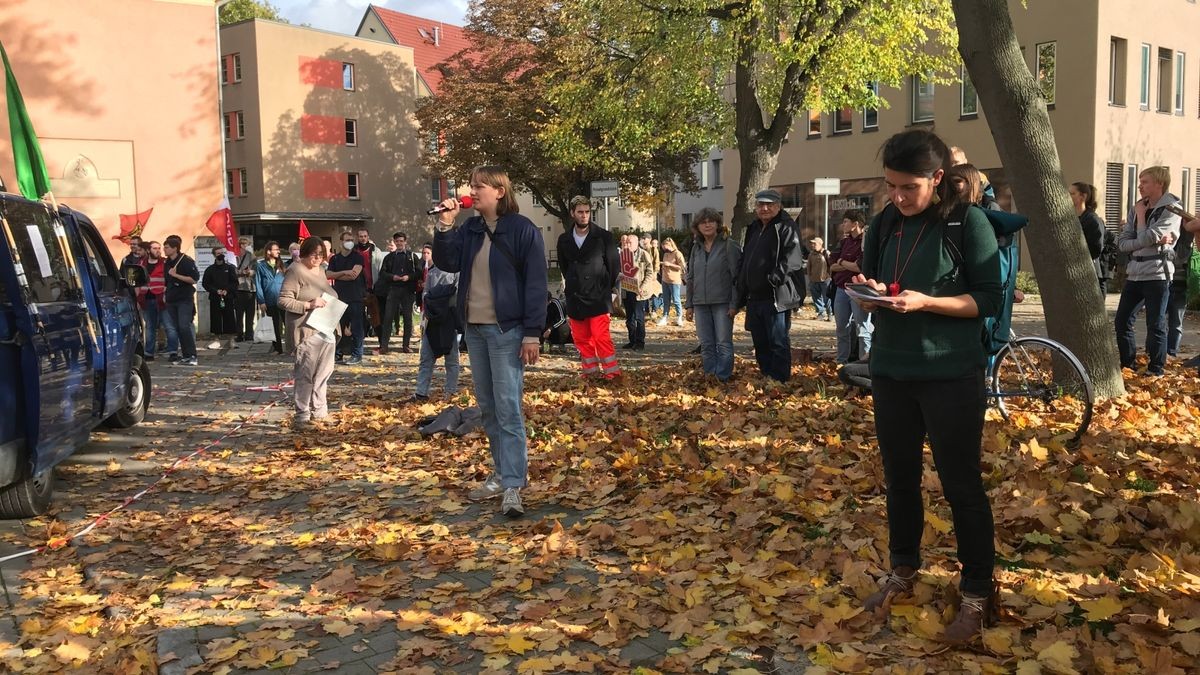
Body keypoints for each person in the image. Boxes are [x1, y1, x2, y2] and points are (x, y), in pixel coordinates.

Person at [852, 128, 1003, 645]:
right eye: (890, 186)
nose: (898, 196)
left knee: (961, 485)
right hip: (892, 370)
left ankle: (978, 591)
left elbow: (986, 300)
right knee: (899, 480)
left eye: (909, 187)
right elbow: (876, 286)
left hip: (950, 374)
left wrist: (928, 303)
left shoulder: (968, 223)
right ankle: (903, 568)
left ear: (937, 179)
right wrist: (870, 296)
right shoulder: (883, 225)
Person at [432, 165, 547, 518]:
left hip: (507, 331)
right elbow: (446, 261)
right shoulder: (471, 228)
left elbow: (536, 284)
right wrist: (445, 224)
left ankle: (513, 484)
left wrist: (532, 333)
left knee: (509, 407)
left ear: (499, 191)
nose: (472, 190)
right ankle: (500, 475)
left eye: (479, 185)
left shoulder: (522, 229)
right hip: (476, 330)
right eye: (471, 185)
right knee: (489, 407)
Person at [1114, 166, 1182, 376]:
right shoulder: (1137, 207)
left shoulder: (1172, 209)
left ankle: (1156, 368)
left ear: (1159, 184)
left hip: (1157, 273)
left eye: (1145, 182)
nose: (1140, 186)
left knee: (1156, 323)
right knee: (1122, 321)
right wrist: (1143, 237)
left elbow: (1144, 238)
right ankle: (1128, 364)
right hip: (1135, 272)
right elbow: (1122, 242)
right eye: (1140, 181)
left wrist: (1142, 220)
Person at [736, 189, 805, 382]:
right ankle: (767, 375)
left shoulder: (786, 226)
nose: (764, 208)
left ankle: (780, 379)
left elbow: (793, 259)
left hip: (776, 295)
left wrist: (773, 278)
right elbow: (746, 257)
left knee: (778, 341)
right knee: (760, 341)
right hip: (754, 296)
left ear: (778, 206)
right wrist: (741, 280)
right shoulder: (754, 228)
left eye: (769, 204)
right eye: (760, 204)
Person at [557, 196, 621, 379]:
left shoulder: (604, 237)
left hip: (598, 297)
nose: (584, 216)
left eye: (587, 212)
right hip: (575, 296)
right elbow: (564, 266)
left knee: (601, 336)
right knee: (581, 338)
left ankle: (613, 374)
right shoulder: (564, 240)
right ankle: (591, 373)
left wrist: (605, 288)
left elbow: (613, 266)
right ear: (572, 213)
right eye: (580, 212)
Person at [277, 237, 337, 426]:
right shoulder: (295, 270)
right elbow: (283, 300)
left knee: (323, 373)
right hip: (306, 331)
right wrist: (308, 305)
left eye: (321, 255)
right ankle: (302, 414)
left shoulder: (320, 270)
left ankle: (320, 411)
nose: (318, 258)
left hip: (326, 328)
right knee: (306, 373)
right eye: (314, 254)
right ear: (304, 253)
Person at [684, 208, 741, 381]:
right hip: (700, 303)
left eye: (711, 221)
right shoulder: (697, 248)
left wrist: (734, 304)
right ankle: (710, 375)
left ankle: (722, 376)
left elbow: (736, 278)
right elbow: (691, 277)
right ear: (697, 226)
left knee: (723, 343)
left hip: (723, 302)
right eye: (703, 222)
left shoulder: (729, 245)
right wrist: (689, 305)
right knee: (706, 344)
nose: (707, 224)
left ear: (717, 224)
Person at [414, 244, 461, 401]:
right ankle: (421, 392)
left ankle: (451, 392)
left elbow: (456, 295)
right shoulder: (432, 272)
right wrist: (433, 302)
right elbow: (425, 295)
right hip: (432, 319)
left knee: (451, 359)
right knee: (426, 358)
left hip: (448, 320)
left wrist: (437, 298)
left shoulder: (457, 272)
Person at [830, 211, 872, 363]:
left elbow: (858, 267)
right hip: (842, 288)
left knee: (863, 329)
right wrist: (846, 264)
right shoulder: (843, 242)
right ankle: (842, 361)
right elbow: (832, 265)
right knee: (842, 327)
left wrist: (842, 262)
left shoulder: (865, 241)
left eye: (846, 221)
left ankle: (864, 363)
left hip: (859, 289)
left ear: (855, 224)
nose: (843, 225)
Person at [327, 231, 366, 364]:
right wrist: (344, 272)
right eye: (347, 239)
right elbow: (328, 275)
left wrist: (338, 275)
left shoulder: (358, 257)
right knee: (338, 328)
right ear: (341, 242)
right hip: (339, 296)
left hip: (355, 297)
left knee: (356, 328)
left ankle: (357, 354)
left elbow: (354, 275)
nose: (349, 242)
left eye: (351, 239)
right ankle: (338, 354)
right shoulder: (335, 259)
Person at [380, 232, 421, 354]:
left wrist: (409, 277)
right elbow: (382, 273)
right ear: (394, 242)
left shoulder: (412, 256)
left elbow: (418, 272)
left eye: (401, 241)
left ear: (405, 242)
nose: (399, 243)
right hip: (393, 289)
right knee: (388, 318)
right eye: (397, 241)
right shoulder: (389, 257)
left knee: (408, 318)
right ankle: (384, 346)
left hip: (408, 290)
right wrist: (393, 277)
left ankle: (406, 345)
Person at [162, 235, 200, 366]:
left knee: (184, 326)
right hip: (171, 298)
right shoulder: (167, 262)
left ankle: (193, 354)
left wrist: (176, 275)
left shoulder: (186, 261)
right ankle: (185, 355)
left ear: (175, 248)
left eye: (166, 248)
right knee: (177, 327)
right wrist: (165, 293)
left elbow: (194, 279)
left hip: (184, 299)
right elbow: (167, 280)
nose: (164, 250)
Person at [1069, 183, 1106, 297]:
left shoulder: (1092, 220)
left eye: (1072, 193)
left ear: (1083, 197)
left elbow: (1096, 248)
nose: (1068, 196)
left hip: (1091, 274)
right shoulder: (1073, 219)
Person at [619, 234, 654, 350]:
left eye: (630, 243)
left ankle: (640, 342)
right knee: (629, 318)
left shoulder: (644, 254)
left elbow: (650, 272)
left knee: (639, 317)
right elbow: (618, 271)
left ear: (637, 243)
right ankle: (632, 340)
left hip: (640, 292)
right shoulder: (623, 255)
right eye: (626, 242)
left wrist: (642, 287)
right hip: (627, 289)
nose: (627, 245)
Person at [202, 246, 239, 351]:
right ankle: (216, 340)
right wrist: (215, 291)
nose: (221, 255)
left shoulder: (230, 267)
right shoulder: (210, 269)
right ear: (214, 255)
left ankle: (232, 340)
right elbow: (206, 284)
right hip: (215, 298)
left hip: (228, 297)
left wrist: (227, 290)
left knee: (230, 318)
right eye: (218, 253)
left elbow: (234, 282)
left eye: (222, 253)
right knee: (216, 319)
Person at [139, 241, 171, 361]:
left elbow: (168, 279)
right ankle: (149, 353)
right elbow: (138, 281)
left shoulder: (165, 263)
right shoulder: (142, 263)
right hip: (146, 298)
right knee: (150, 327)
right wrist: (138, 297)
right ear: (148, 250)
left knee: (168, 326)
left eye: (159, 248)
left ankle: (173, 351)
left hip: (161, 298)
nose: (158, 250)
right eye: (155, 248)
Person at [354, 228, 386, 342]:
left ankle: (382, 343)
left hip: (373, 288)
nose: (363, 238)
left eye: (365, 236)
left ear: (368, 237)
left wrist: (377, 287)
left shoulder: (375, 251)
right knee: (359, 317)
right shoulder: (354, 251)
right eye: (361, 236)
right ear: (357, 237)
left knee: (376, 317)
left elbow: (381, 269)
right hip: (358, 289)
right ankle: (359, 343)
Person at [256, 241, 288, 355]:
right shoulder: (261, 266)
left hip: (283, 299)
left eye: (278, 249)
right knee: (274, 326)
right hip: (269, 300)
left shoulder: (283, 265)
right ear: (269, 251)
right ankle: (277, 348)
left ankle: (290, 348)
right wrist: (261, 301)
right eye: (276, 249)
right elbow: (258, 284)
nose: (278, 251)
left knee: (287, 324)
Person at [657, 238, 687, 326]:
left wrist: (670, 265)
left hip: (674, 280)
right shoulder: (666, 254)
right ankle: (665, 316)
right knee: (666, 300)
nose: (663, 248)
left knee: (676, 299)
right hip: (665, 279)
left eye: (664, 246)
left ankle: (679, 317)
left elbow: (682, 267)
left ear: (669, 245)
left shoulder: (678, 254)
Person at [235, 236, 257, 342]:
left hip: (250, 288)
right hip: (239, 288)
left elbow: (255, 270)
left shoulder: (252, 257)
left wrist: (250, 272)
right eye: (243, 244)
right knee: (239, 314)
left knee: (250, 313)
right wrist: (240, 272)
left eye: (247, 244)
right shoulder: (235, 256)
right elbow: (232, 270)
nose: (245, 246)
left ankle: (249, 334)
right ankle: (239, 334)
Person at [807, 237, 831, 321]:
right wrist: (809, 276)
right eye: (812, 243)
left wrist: (829, 276)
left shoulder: (826, 253)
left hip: (825, 280)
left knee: (827, 298)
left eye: (815, 243)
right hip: (814, 280)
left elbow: (831, 265)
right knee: (816, 298)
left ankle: (829, 313)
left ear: (820, 244)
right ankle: (820, 313)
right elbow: (808, 266)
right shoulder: (811, 254)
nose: (812, 245)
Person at [641, 234, 662, 317]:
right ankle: (646, 310)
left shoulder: (653, 250)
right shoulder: (642, 249)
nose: (643, 240)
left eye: (644, 238)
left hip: (652, 274)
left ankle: (654, 310)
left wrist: (655, 273)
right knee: (645, 291)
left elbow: (656, 261)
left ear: (649, 239)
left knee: (654, 293)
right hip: (643, 274)